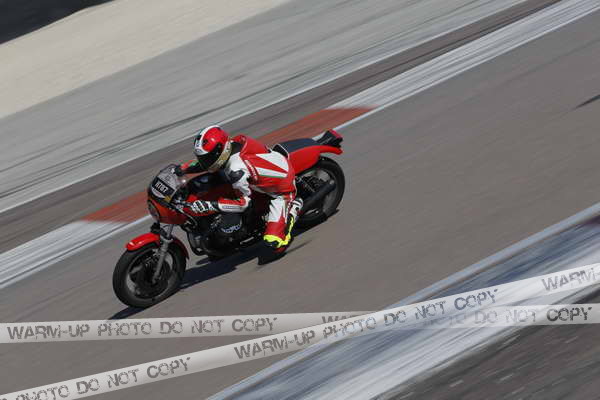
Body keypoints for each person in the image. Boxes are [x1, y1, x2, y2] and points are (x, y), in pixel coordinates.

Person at [176, 124, 302, 257]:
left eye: (207, 158)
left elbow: (243, 204)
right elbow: (207, 163)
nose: (204, 161)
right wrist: (182, 168)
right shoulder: (232, 144)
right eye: (203, 158)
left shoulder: (236, 170)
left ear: (220, 151)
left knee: (275, 243)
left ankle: (294, 206)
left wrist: (210, 205)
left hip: (281, 189)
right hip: (261, 175)